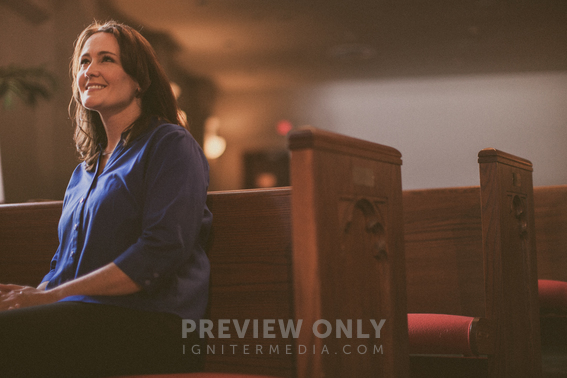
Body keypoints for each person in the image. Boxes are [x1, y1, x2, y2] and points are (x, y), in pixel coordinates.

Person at [0, 20, 211, 377]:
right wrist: (31, 296)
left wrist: (49, 298)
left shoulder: (170, 144)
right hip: (84, 317)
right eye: (84, 61)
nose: (90, 70)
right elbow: (64, 266)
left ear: (140, 79)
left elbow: (159, 252)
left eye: (106, 59)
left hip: (155, 324)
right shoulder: (83, 172)